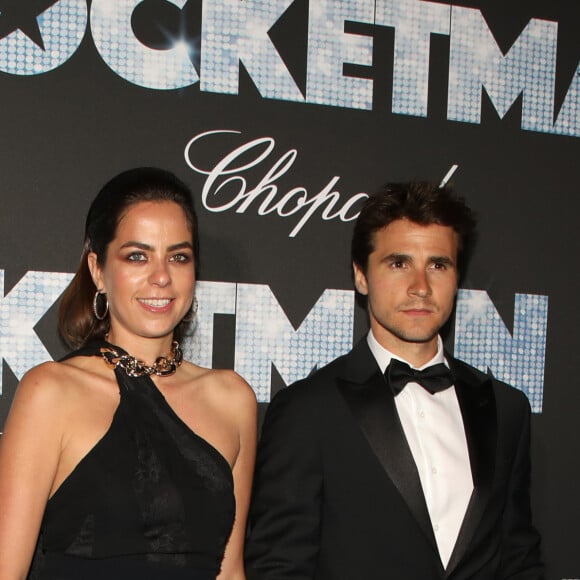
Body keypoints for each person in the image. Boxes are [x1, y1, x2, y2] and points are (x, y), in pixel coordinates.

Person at [245, 181, 543, 579]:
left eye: (438, 264)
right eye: (399, 263)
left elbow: (519, 558)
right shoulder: (307, 411)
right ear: (361, 276)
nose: (420, 287)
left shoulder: (508, 409)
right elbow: (279, 568)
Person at [0, 168, 257, 579]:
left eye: (179, 256)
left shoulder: (231, 399)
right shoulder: (51, 392)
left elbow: (230, 573)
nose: (161, 276)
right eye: (137, 256)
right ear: (98, 270)